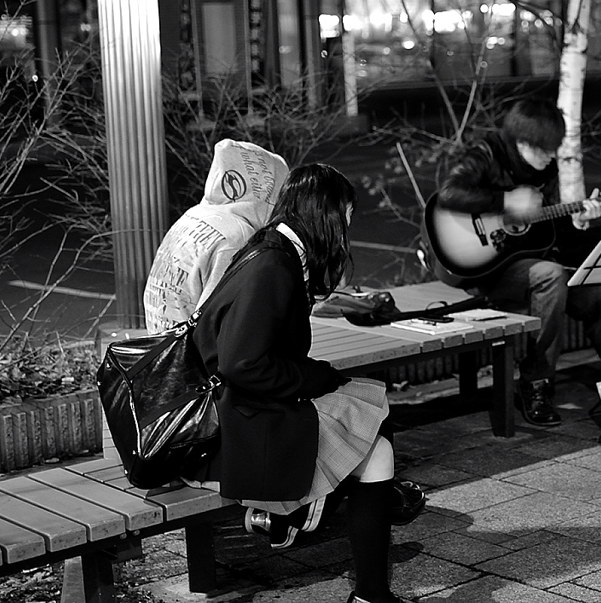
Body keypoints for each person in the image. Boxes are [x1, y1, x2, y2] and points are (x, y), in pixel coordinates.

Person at [145, 140, 424, 526]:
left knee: (362, 402)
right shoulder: (250, 247)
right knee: (362, 407)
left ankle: (352, 505)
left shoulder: (209, 223)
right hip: (212, 417)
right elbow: (238, 353)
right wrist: (311, 377)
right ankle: (309, 509)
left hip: (189, 391)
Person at [188, 164, 407, 603]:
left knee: (368, 410)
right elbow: (243, 364)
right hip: (236, 422)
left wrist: (317, 377)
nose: (348, 224)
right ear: (327, 213)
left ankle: (303, 515)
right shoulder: (274, 264)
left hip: (244, 404)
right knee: (375, 444)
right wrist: (315, 378)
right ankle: (367, 589)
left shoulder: (275, 250)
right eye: (346, 212)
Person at [436, 98, 601, 427]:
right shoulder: (487, 154)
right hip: (486, 268)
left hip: (531, 263)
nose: (551, 156)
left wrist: (580, 219)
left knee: (594, 295)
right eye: (545, 149)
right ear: (523, 141)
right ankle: (536, 383)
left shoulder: (547, 171)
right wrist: (505, 201)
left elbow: (550, 232)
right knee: (552, 275)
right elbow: (448, 194)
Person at [144, 138, 289, 334]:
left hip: (161, 346)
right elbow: (217, 324)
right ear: (267, 190)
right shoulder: (237, 237)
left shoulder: (195, 215)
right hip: (190, 359)